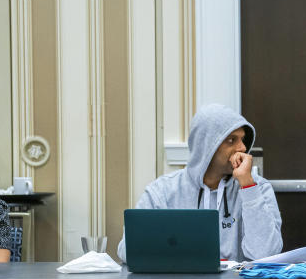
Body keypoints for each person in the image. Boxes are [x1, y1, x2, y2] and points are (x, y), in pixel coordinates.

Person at [117, 104, 283, 263]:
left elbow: (266, 254)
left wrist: (247, 186)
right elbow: (127, 251)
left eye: (243, 139)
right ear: (207, 146)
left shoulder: (258, 188)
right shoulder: (162, 191)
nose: (242, 147)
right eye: (231, 140)